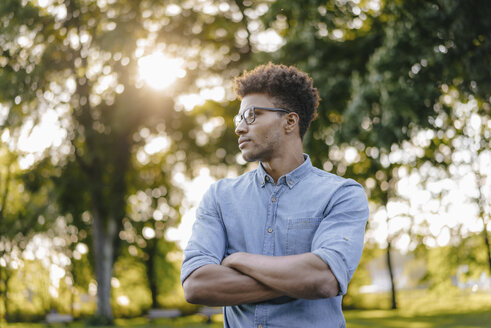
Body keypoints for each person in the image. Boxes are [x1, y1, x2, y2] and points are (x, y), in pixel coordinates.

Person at [181, 63, 369, 328]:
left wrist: (238, 260)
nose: (239, 128)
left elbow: (323, 280)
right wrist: (298, 280)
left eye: (252, 115)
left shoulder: (341, 194)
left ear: (289, 121)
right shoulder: (220, 197)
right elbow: (196, 285)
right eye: (239, 119)